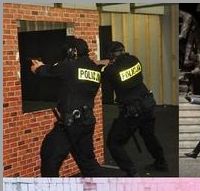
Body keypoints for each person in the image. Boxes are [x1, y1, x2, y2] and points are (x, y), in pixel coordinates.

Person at [30, 37, 103, 177]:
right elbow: (69, 78)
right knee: (88, 164)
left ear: (72, 51)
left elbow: (42, 71)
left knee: (50, 156)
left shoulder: (69, 66)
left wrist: (38, 67)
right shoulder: (94, 68)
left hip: (70, 124)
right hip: (86, 122)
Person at [102, 41, 167, 176]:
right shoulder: (134, 60)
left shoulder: (111, 70)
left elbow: (106, 78)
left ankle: (131, 171)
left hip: (132, 111)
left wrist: (105, 65)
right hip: (147, 105)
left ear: (111, 55)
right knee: (149, 136)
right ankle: (161, 162)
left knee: (114, 142)